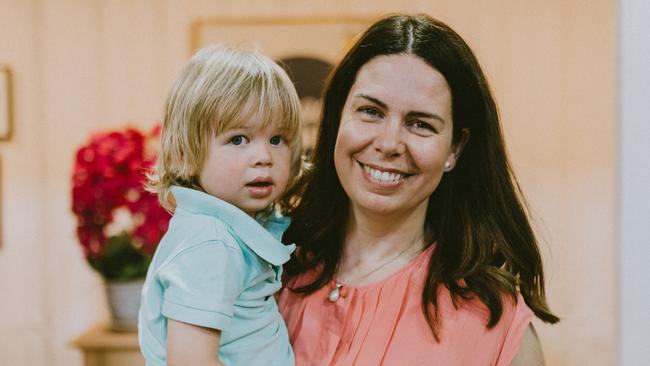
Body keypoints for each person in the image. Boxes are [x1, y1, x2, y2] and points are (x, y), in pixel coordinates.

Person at [279, 13, 559, 366]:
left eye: (420, 124)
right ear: (337, 117)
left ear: (455, 149)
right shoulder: (265, 266)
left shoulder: (496, 324)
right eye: (370, 111)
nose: (389, 142)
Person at [138, 45, 301, 366]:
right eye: (238, 139)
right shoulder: (210, 242)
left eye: (277, 139)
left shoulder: (229, 229)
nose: (264, 157)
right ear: (185, 153)